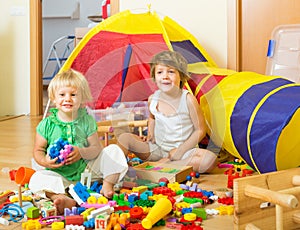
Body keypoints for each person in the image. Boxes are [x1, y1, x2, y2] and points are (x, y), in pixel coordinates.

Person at [28, 69, 128, 214]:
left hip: (87, 171)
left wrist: (81, 152)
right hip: (60, 175)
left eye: (73, 95)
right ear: (54, 98)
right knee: (36, 179)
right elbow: (38, 151)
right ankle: (60, 197)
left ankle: (107, 185)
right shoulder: (47, 124)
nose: (67, 99)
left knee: (113, 151)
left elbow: (96, 148)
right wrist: (45, 161)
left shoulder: (86, 120)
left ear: (81, 99)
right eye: (62, 95)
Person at [117, 50, 217, 173]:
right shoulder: (153, 99)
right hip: (158, 150)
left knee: (209, 160)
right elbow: (152, 117)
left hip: (184, 152)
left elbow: (201, 130)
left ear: (181, 76)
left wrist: (179, 151)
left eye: (171, 72)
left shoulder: (188, 100)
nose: (165, 76)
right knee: (124, 138)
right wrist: (151, 134)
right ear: (154, 77)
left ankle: (168, 164)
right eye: (160, 72)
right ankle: (117, 171)